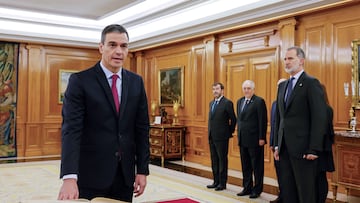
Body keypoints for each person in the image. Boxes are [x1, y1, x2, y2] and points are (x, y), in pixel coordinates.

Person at [58, 24, 150, 202]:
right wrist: (69, 176)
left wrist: (142, 170)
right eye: (112, 45)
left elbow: (142, 128)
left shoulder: (136, 82)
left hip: (125, 175)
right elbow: (71, 130)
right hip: (91, 173)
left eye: (124, 46)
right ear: (101, 47)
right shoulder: (80, 81)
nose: (118, 51)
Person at [274, 46, 328, 203]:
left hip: (304, 150)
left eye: (291, 58)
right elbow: (280, 118)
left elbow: (319, 118)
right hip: (284, 149)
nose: (287, 62)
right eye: (285, 59)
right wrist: (277, 145)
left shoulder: (311, 83)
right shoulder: (283, 86)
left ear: (302, 61)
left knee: (305, 193)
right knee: (288, 191)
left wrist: (314, 148)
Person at [236, 80, 267, 199]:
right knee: (245, 165)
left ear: (253, 89)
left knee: (257, 166)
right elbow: (240, 120)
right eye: (244, 88)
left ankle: (257, 190)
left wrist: (262, 137)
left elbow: (262, 121)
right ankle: (247, 187)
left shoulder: (259, 101)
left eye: (248, 88)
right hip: (243, 139)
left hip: (255, 140)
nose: (246, 90)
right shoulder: (240, 101)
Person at [206, 82, 236, 191]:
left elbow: (233, 119)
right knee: (214, 160)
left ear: (222, 90)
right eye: (213, 89)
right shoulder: (211, 103)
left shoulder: (227, 103)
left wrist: (229, 132)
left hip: (222, 137)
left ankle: (222, 183)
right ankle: (215, 181)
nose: (215, 91)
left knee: (222, 160)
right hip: (212, 136)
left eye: (217, 89)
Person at [269, 78, 286, 203]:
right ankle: (281, 195)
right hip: (275, 145)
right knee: (279, 172)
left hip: (286, 145)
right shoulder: (275, 103)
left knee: (287, 174)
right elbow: (273, 125)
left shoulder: (288, 103)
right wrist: (272, 143)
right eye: (278, 86)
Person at [317, 84, 335, 203]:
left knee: (320, 177)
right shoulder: (328, 108)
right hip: (324, 147)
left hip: (320, 147)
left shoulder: (322, 108)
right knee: (320, 176)